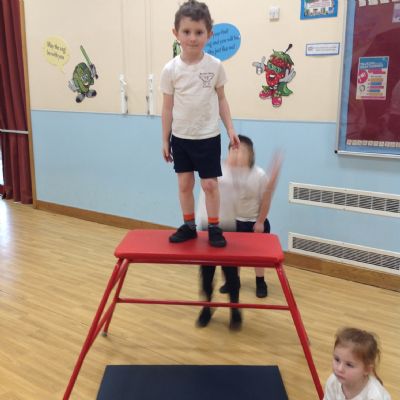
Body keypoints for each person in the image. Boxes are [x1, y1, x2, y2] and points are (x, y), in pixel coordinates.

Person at [160, 0, 240, 248]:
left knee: (209, 185)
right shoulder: (171, 69)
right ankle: (188, 226)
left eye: (198, 32)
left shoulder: (215, 66)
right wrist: (165, 139)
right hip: (181, 137)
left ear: (209, 35)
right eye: (186, 31)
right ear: (176, 33)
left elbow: (222, 99)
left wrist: (230, 128)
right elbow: (167, 107)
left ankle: (214, 228)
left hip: (208, 137)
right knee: (185, 184)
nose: (192, 38)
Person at [196, 135, 282, 330]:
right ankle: (206, 307)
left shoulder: (246, 175)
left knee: (231, 273)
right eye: (233, 150)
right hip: (207, 226)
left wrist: (273, 177)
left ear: (250, 155)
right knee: (206, 274)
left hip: (228, 228)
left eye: (242, 151)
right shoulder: (216, 168)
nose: (236, 154)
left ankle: (234, 308)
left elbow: (265, 193)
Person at [324, 327, 391, 400]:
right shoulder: (333, 382)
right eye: (337, 360)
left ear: (367, 369)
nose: (339, 369)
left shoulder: (375, 396)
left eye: (349, 365)